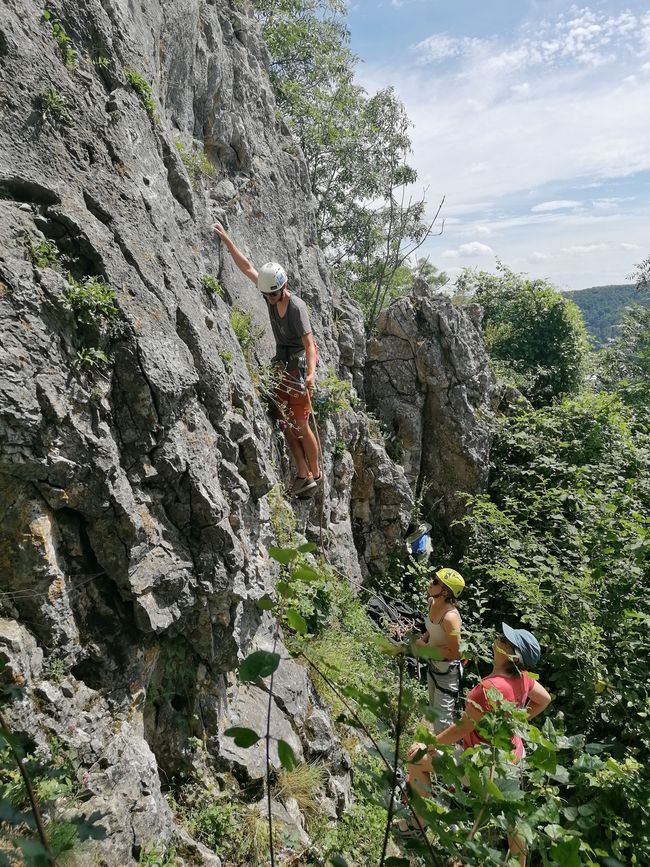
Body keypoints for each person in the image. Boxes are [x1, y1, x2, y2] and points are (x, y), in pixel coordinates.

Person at [403, 623, 552, 866]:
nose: (498, 638)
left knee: (416, 760)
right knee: (514, 819)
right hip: (513, 759)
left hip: (483, 765)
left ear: (512, 655)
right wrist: (519, 719)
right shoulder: (523, 681)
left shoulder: (488, 688)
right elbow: (544, 699)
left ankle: (416, 825)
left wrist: (428, 743)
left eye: (504, 639)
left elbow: (463, 727)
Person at [212, 221, 321, 497]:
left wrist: (311, 374)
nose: (269, 299)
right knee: (283, 421)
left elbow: (310, 345)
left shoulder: (296, 308)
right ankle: (302, 473)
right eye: (266, 295)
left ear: (283, 289)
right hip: (281, 366)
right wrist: (227, 240)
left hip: (296, 369)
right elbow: (248, 268)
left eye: (272, 295)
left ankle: (315, 474)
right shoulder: (270, 295)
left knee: (300, 423)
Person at [415, 568, 464, 732]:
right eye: (433, 578)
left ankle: (443, 755)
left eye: (435, 582)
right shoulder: (431, 602)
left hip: (448, 674)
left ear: (445, 592)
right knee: (434, 716)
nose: (430, 582)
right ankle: (435, 753)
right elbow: (433, 629)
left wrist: (426, 648)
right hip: (434, 667)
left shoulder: (450, 618)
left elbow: (455, 653)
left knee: (441, 724)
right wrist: (422, 640)